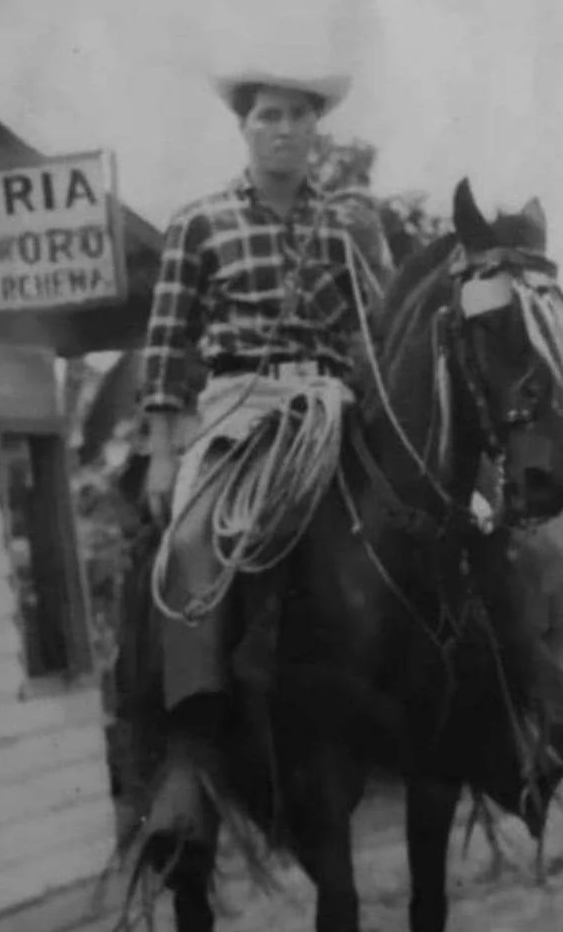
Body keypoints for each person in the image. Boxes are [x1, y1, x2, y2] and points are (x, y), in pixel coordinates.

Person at [135, 72, 394, 855]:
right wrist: (162, 451)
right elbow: (166, 342)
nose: (284, 129)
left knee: (423, 520)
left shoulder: (348, 224)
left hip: (331, 405)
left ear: (316, 130)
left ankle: (484, 705)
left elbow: (380, 329)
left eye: (298, 117)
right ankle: (192, 748)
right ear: (245, 128)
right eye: (269, 116)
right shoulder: (200, 223)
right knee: (190, 542)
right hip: (238, 408)